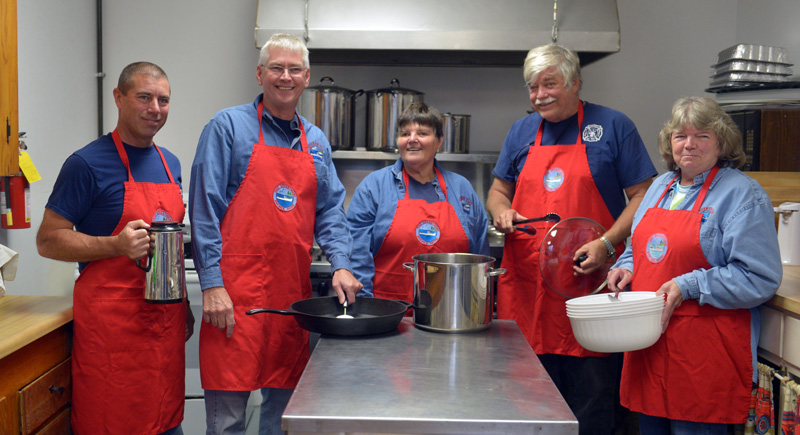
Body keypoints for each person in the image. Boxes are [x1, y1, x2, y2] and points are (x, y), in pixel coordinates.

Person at [189, 33, 362, 434]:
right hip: (233, 297)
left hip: (289, 297)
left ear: (306, 78)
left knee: (282, 417)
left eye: (294, 69)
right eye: (277, 68)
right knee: (229, 417)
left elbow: (330, 211)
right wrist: (212, 285)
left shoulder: (315, 141)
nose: (285, 77)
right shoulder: (227, 127)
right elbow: (203, 211)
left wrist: (340, 264)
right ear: (260, 73)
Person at [485, 44, 657, 433]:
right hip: (528, 293)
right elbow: (498, 191)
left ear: (576, 82)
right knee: (525, 402)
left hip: (589, 290)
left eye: (550, 83)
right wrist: (501, 210)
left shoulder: (613, 126)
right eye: (532, 86)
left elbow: (644, 196)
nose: (540, 94)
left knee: (592, 403)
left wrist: (608, 244)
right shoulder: (521, 130)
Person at [607, 96, 782, 433]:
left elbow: (758, 277)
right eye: (679, 136)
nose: (688, 145)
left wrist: (688, 285)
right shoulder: (659, 186)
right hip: (651, 351)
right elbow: (639, 247)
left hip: (704, 358)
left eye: (702, 136)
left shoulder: (743, 195)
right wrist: (627, 266)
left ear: (721, 143)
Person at [36, 62, 190, 435]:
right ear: (118, 98)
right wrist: (115, 244)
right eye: (144, 97)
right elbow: (48, 239)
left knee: (166, 422)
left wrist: (183, 306)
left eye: (163, 100)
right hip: (112, 337)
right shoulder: (86, 164)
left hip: (163, 331)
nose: (155, 108)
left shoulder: (171, 164)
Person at [347, 102, 490, 300]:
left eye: (422, 133)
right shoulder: (374, 186)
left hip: (451, 312)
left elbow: (478, 257)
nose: (412, 139)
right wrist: (366, 308)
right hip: (386, 312)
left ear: (439, 141)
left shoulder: (462, 188)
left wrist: (474, 304)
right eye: (405, 134)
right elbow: (356, 254)